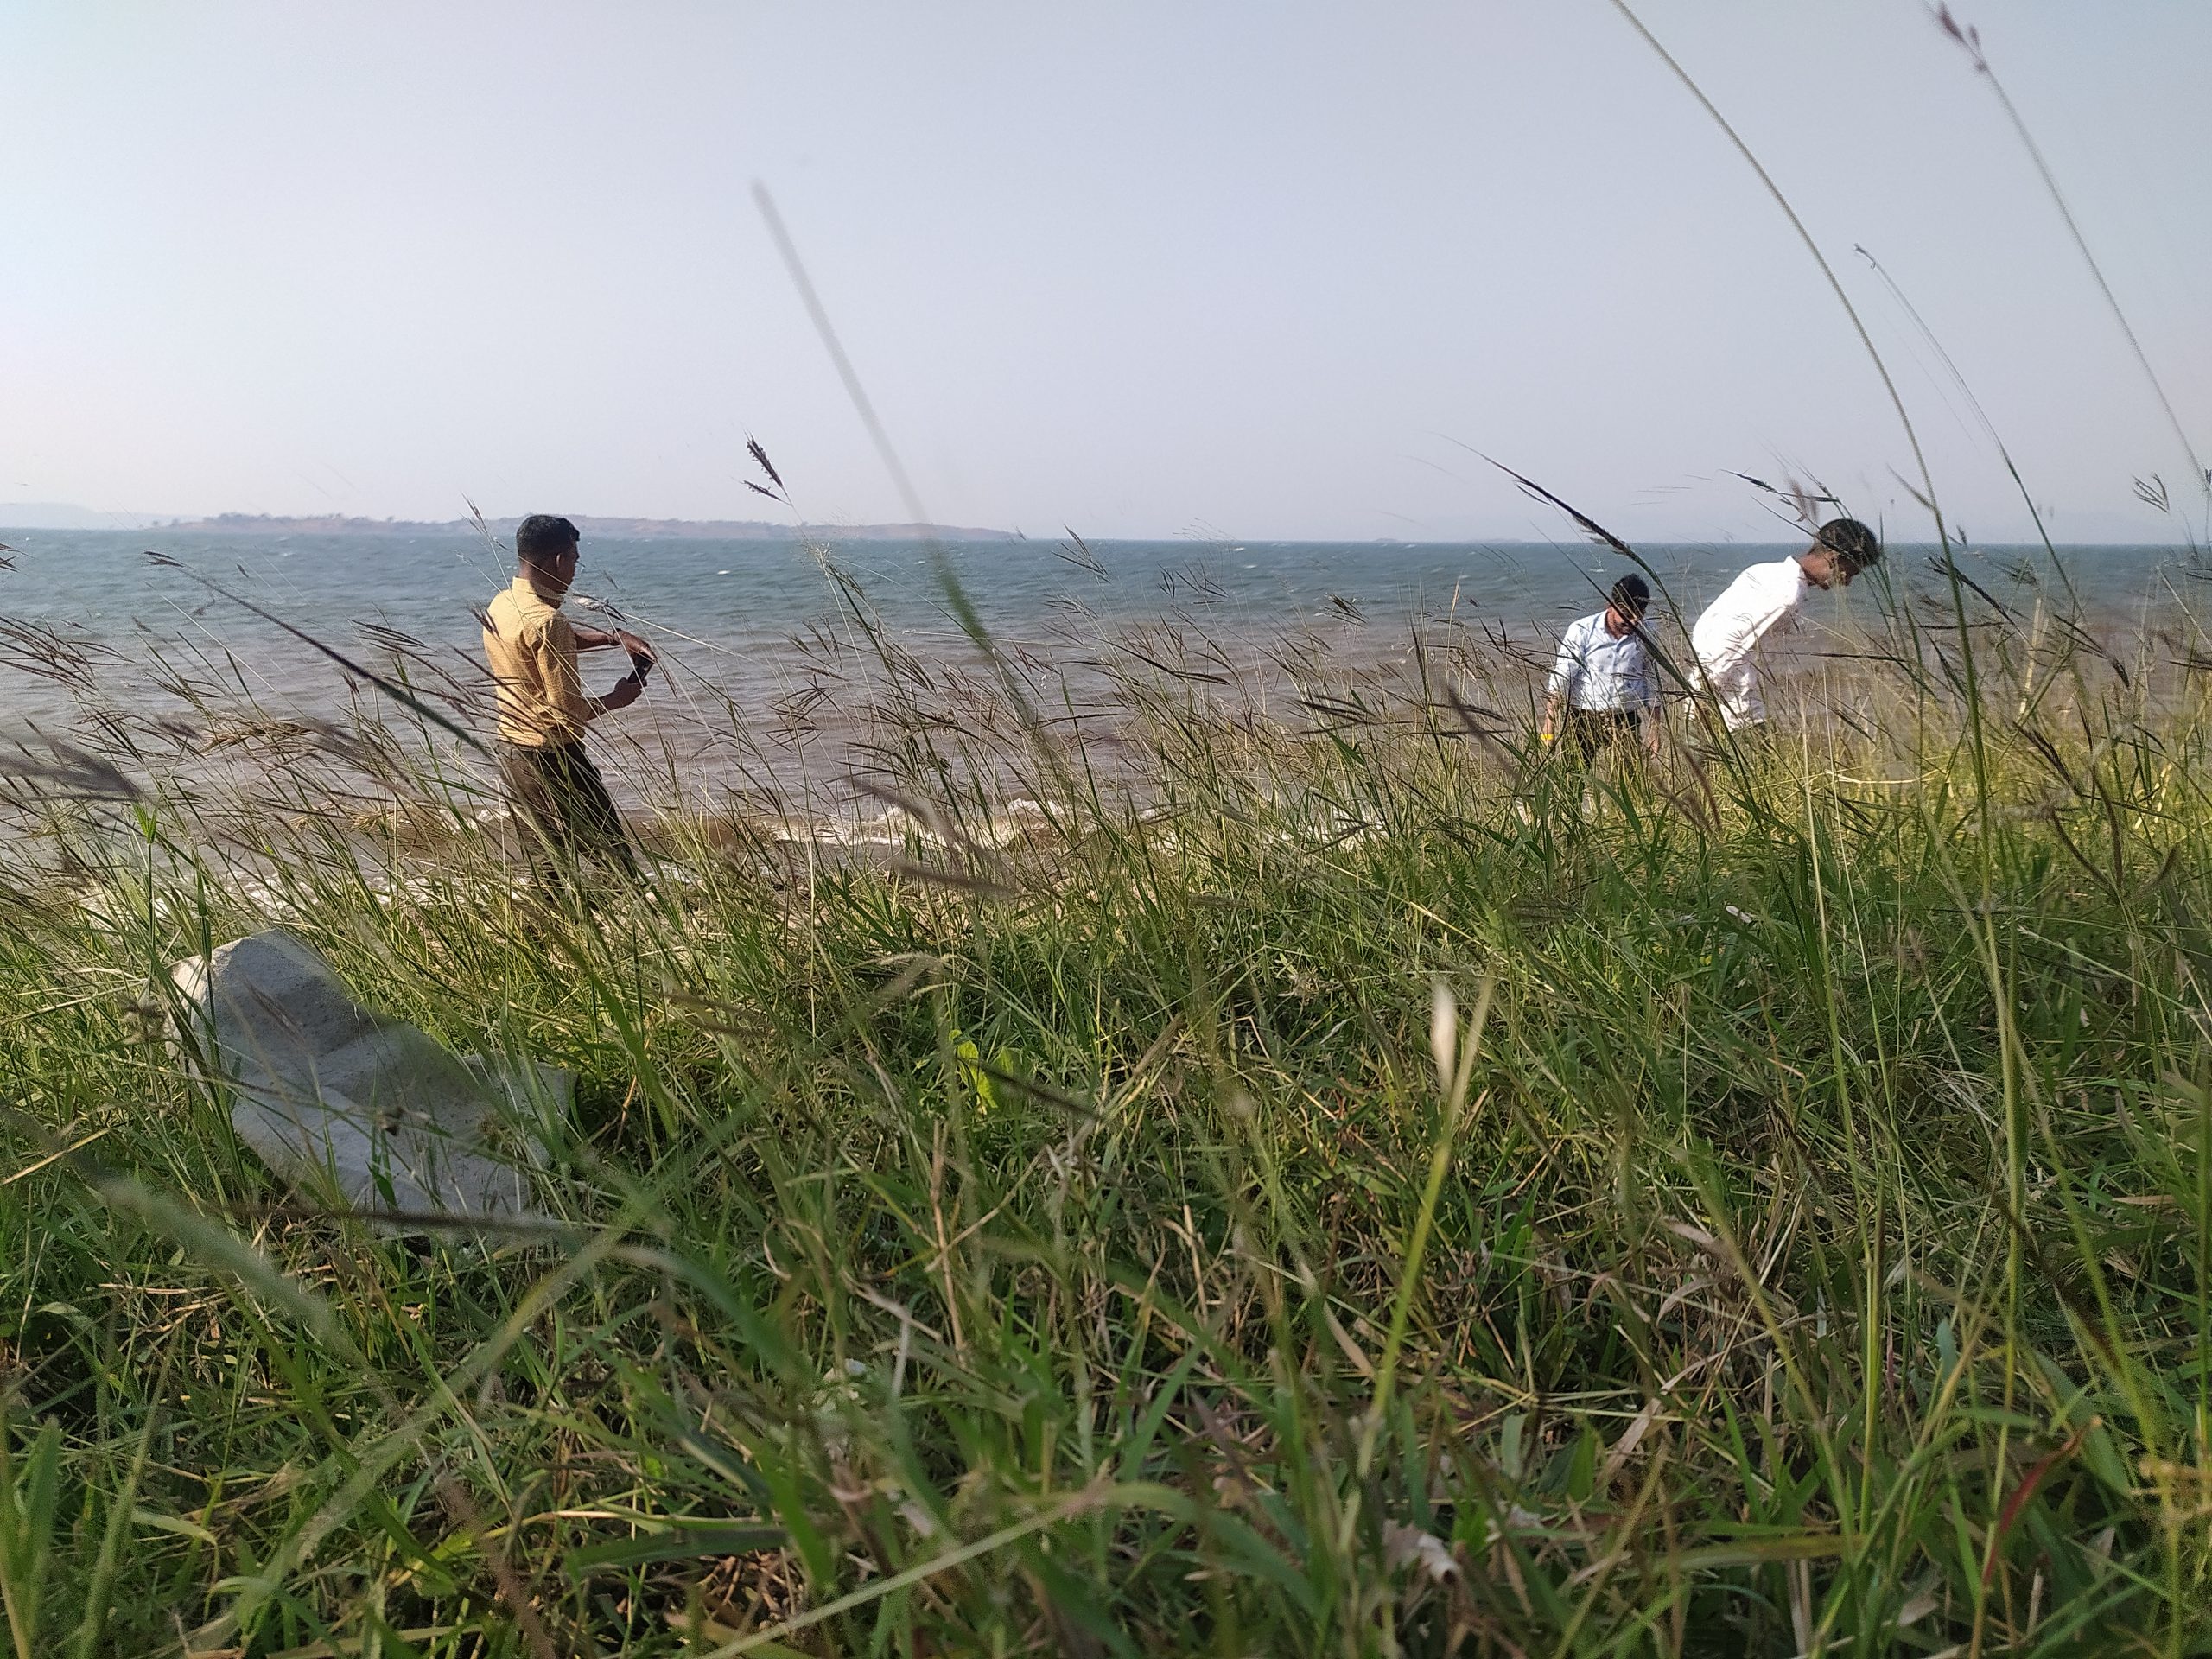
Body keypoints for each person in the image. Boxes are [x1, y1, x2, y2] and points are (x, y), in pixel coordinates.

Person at [481, 513, 657, 882]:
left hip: (511, 749)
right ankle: (629, 924)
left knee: (546, 859)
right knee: (613, 856)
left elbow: (543, 641)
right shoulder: (549, 622)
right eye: (574, 558)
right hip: (553, 756)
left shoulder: (503, 603)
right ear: (559, 559)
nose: (576, 568)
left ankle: (549, 931)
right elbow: (566, 714)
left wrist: (612, 638)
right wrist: (617, 698)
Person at [1688, 518, 1881, 731]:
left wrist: (1695, 693)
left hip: (1716, 702)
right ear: (1835, 559)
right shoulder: (1788, 593)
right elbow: (1727, 643)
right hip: (1735, 714)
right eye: (1850, 573)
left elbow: (1708, 626)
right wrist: (1700, 697)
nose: (1846, 583)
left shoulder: (1764, 571)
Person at [1541, 574, 1662, 757]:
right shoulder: (1582, 630)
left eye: (1640, 615)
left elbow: (1652, 682)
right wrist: (1548, 727)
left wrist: (1655, 730)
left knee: (1630, 781)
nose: (1634, 621)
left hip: (1625, 720)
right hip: (1583, 718)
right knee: (1574, 777)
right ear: (1611, 607)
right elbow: (1562, 679)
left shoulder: (1648, 632)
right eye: (1627, 615)